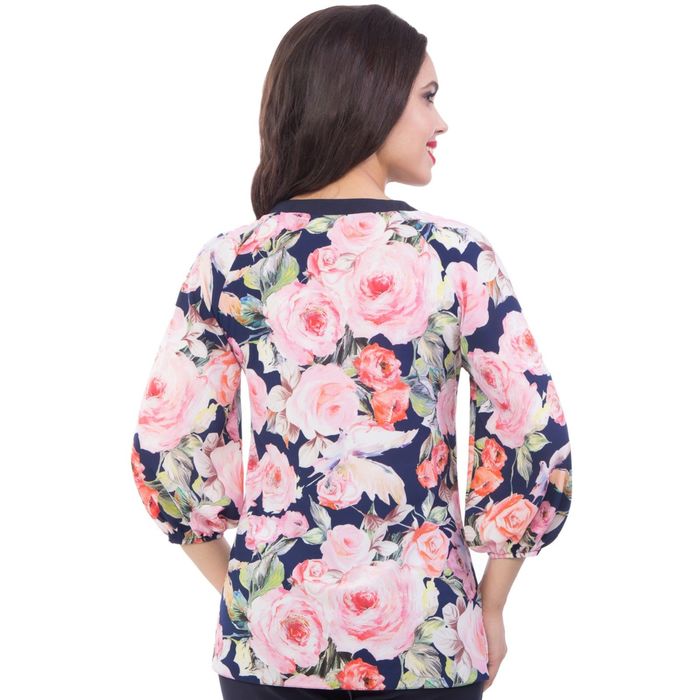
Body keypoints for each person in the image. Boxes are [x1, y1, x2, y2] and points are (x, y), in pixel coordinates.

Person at [130, 4, 573, 699]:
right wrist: (491, 605)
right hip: (431, 638)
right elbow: (529, 429)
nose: (441, 122)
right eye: (427, 96)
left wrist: (249, 594)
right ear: (370, 97)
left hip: (270, 648)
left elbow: (169, 448)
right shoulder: (456, 256)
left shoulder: (230, 262)